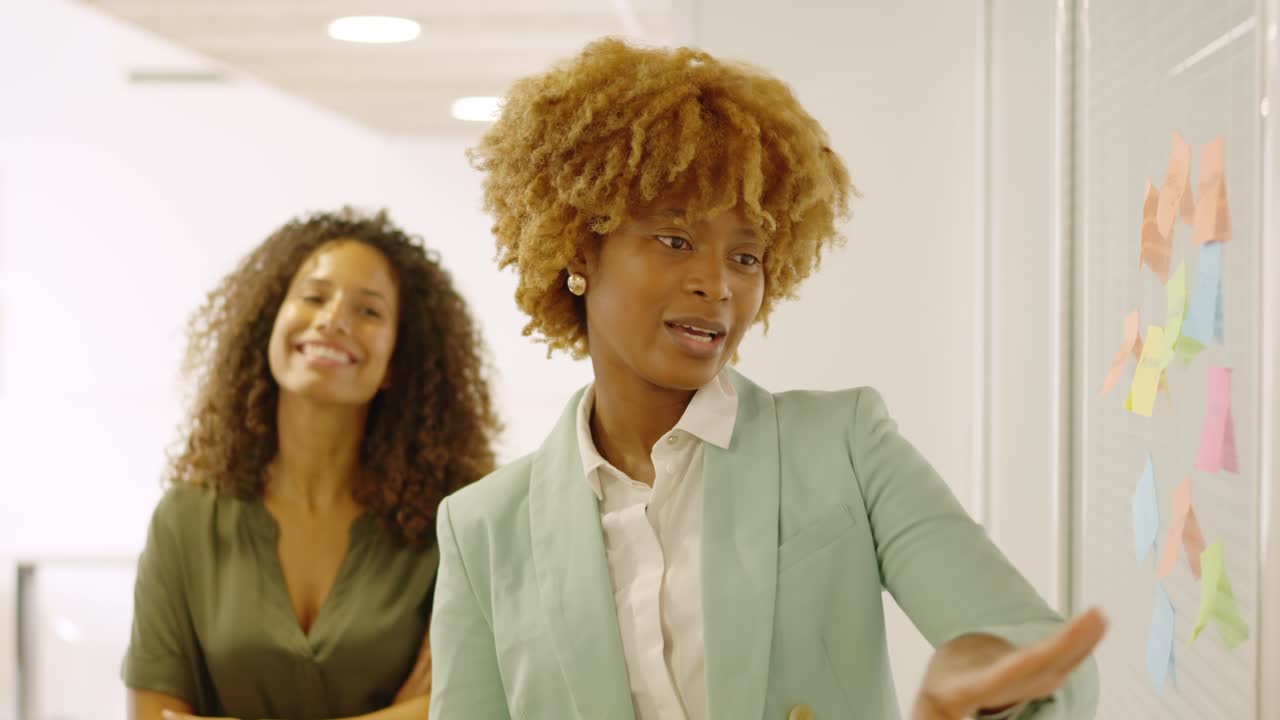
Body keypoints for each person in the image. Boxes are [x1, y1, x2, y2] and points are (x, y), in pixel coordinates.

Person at [428, 39, 1105, 720]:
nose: (716, 283)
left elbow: (1035, 648)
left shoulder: (845, 446)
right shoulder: (483, 529)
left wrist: (994, 681)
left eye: (746, 256)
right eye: (675, 240)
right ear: (580, 249)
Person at [123, 208, 500, 720]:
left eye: (369, 311)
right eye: (314, 296)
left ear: (396, 362)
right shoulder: (185, 520)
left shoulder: (453, 522)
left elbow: (465, 710)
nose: (333, 319)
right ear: (269, 324)